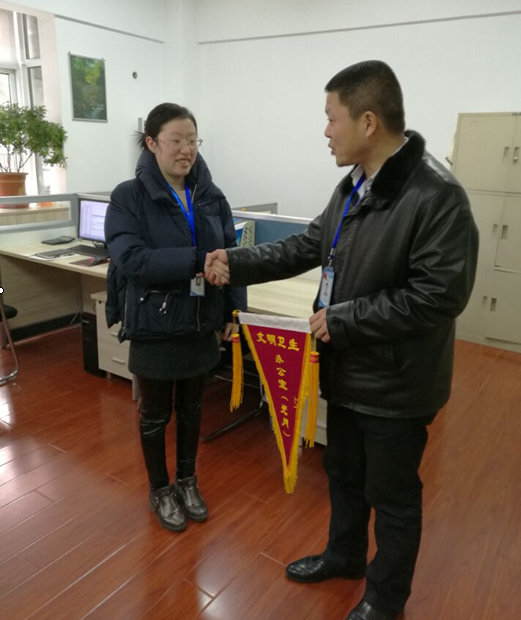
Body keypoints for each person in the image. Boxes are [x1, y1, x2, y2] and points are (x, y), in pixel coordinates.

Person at [205, 61, 478, 620]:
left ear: (368, 121)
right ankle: (345, 556)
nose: (326, 131)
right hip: (347, 368)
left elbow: (439, 296)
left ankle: (386, 599)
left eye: (332, 118)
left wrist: (347, 320)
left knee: (393, 497)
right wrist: (235, 261)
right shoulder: (355, 185)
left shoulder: (437, 196)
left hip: (396, 383)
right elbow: (308, 245)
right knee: (344, 474)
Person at [105, 103, 247, 533]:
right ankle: (160, 488)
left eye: (192, 141)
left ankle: (187, 481)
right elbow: (132, 259)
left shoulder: (211, 196)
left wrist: (233, 309)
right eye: (176, 141)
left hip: (201, 320)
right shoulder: (128, 197)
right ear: (152, 143)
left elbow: (231, 255)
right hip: (155, 323)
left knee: (192, 409)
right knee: (154, 414)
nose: (186, 150)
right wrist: (196, 261)